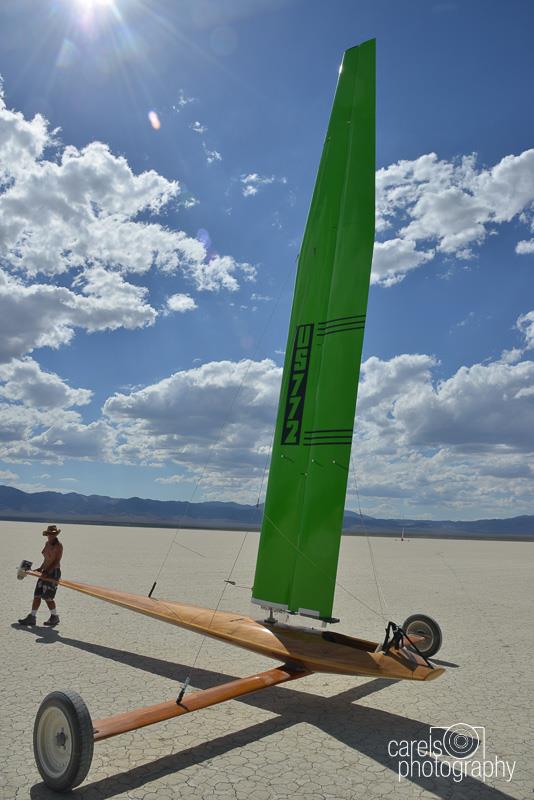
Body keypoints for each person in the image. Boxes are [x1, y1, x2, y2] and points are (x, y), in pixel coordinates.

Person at [18, 524, 63, 627]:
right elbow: (46, 559)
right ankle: (32, 617)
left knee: (48, 597)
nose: (50, 536)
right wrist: (41, 568)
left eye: (53, 534)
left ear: (55, 534)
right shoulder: (47, 544)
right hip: (45, 571)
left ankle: (54, 617)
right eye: (49, 534)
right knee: (37, 594)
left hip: (54, 572)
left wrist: (48, 571)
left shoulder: (59, 545)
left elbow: (56, 561)